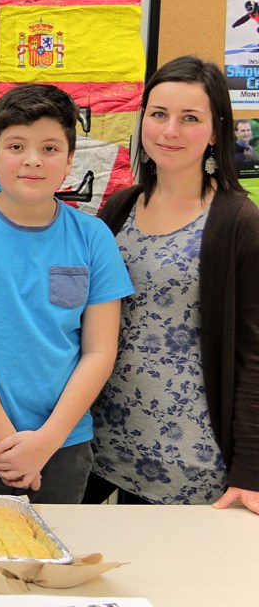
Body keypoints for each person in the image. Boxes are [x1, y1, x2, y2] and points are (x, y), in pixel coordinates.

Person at [0, 83, 134, 503]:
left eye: (50, 149)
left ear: (70, 160)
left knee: (48, 568)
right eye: (16, 146)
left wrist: (44, 443)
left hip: (63, 445)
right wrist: (8, 445)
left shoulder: (93, 237)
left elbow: (99, 352)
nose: (32, 160)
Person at [89, 56, 259, 515]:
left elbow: (253, 353)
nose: (170, 131)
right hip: (102, 443)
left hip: (191, 457)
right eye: (159, 114)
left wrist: (251, 471)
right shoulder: (121, 207)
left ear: (216, 130)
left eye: (190, 119)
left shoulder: (237, 221)